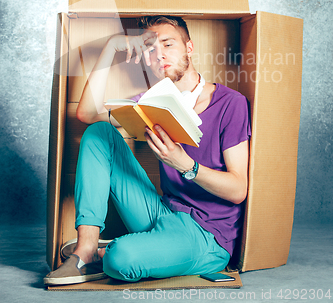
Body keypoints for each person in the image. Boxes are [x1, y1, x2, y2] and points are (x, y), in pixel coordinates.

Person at [44, 15, 250, 286]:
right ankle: (85, 251)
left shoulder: (230, 104)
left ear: (189, 48)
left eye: (168, 45)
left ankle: (110, 252)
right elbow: (86, 113)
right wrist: (111, 47)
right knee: (99, 133)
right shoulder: (151, 104)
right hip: (162, 213)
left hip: (207, 236)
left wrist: (184, 164)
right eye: (151, 50)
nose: (160, 55)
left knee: (120, 259)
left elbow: (238, 191)